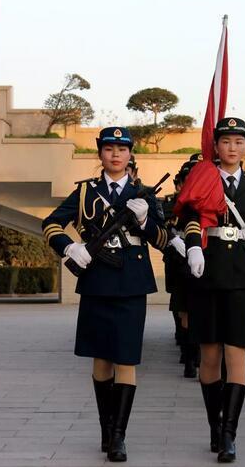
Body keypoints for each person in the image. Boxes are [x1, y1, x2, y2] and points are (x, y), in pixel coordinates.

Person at [41, 126, 167, 463]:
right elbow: (51, 224)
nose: (115, 155)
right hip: (97, 279)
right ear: (100, 154)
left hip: (131, 283)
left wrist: (144, 221)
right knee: (101, 360)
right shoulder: (85, 194)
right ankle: (105, 425)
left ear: (130, 155)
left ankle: (119, 436)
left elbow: (164, 239)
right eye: (109, 149)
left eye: (122, 149)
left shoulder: (143, 194)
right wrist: (70, 247)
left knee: (126, 358)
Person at [180, 117, 245, 462]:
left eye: (239, 142)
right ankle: (213, 424)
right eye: (226, 142)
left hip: (242, 277)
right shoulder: (204, 177)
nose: (232, 148)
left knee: (236, 354)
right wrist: (193, 246)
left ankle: (229, 433)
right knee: (210, 355)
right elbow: (190, 217)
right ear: (216, 146)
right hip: (207, 271)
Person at [162, 160, 198, 378]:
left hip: (204, 257)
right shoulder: (171, 203)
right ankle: (189, 357)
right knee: (183, 309)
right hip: (178, 259)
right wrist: (174, 239)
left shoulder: (206, 202)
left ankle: (197, 353)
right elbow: (163, 224)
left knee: (200, 310)